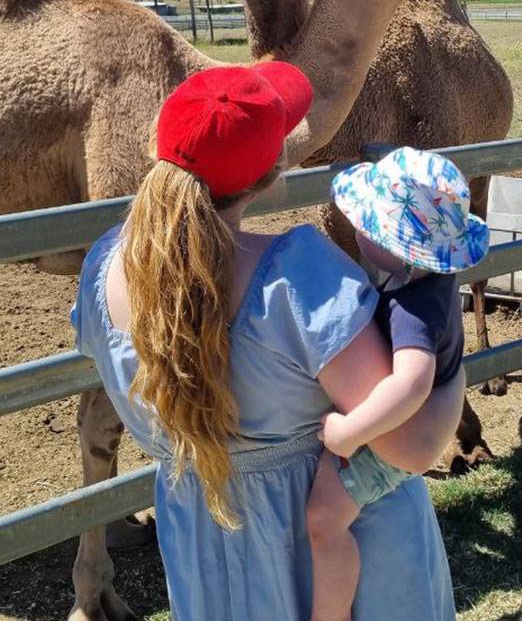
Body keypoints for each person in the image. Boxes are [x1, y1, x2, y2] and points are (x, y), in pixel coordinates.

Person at [70, 63, 464, 620]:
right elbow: (411, 447)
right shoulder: (300, 277)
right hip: (331, 549)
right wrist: (453, 369)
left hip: (202, 536)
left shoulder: (103, 267)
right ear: (273, 170)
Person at [307, 147, 489, 621]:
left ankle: (331, 613)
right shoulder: (419, 280)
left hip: (398, 438)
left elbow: (410, 385)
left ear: (403, 251)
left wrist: (351, 432)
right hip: (414, 419)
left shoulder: (413, 308)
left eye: (370, 226)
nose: (358, 230)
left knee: (324, 520)